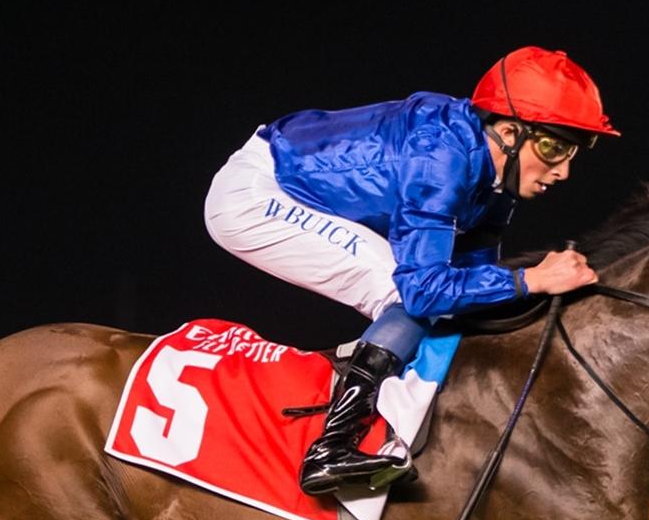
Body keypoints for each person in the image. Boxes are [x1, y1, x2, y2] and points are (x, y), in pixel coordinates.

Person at [203, 46, 617, 496]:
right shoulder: (440, 159)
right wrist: (532, 279)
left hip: (297, 180)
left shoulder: (495, 180)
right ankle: (331, 448)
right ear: (509, 131)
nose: (564, 172)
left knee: (448, 302)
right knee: (407, 296)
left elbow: (475, 285)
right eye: (553, 147)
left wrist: (513, 292)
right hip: (255, 194)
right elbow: (424, 292)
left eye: (574, 150)